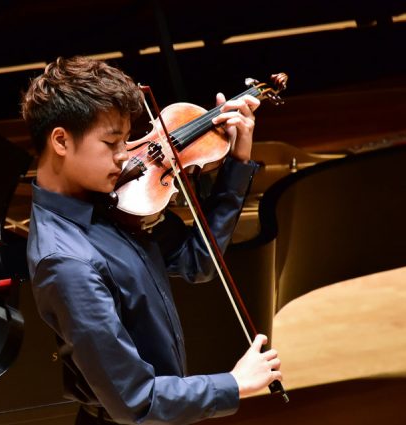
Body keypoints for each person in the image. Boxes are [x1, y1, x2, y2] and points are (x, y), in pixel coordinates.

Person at [21, 56, 282, 424]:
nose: (125, 156)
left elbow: (198, 261)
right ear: (61, 140)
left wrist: (237, 161)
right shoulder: (67, 265)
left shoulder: (111, 201)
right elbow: (136, 401)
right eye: (111, 143)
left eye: (127, 140)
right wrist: (234, 384)